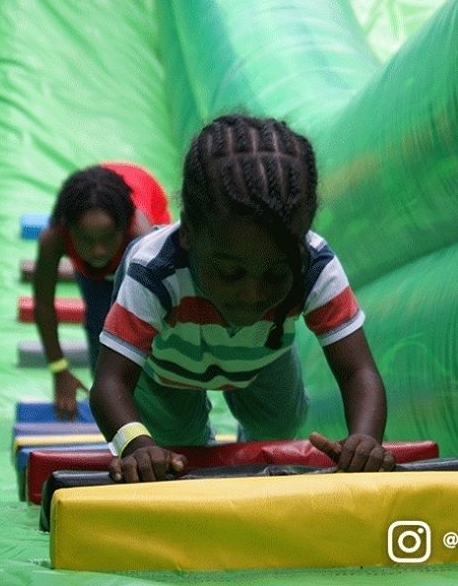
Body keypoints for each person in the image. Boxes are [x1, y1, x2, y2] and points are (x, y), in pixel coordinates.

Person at [90, 115, 395, 481]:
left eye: (276, 274)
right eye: (230, 273)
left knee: (277, 433)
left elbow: (358, 371)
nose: (253, 295)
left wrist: (365, 439)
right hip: (166, 367)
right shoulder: (154, 272)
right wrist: (137, 446)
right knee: (175, 449)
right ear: (188, 234)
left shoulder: (314, 265)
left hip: (263, 356)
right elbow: (110, 383)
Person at [33, 162, 171, 420]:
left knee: (151, 331)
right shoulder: (55, 237)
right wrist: (59, 369)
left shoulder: (142, 238)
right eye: (86, 240)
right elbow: (42, 305)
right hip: (97, 270)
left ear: (123, 228)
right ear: (69, 230)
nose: (98, 251)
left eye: (107, 238)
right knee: (101, 328)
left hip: (141, 240)